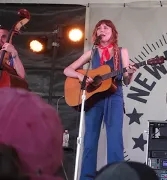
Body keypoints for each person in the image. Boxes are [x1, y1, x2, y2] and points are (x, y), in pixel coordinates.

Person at [63, 19, 137, 180]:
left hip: (114, 97)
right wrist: (80, 76)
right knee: (89, 140)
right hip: (94, 99)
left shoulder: (121, 52)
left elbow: (125, 80)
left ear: (113, 32)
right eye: (99, 28)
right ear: (96, 34)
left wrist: (130, 73)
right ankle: (86, 177)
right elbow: (67, 70)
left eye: (106, 27)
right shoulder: (92, 52)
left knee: (115, 140)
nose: (102, 30)